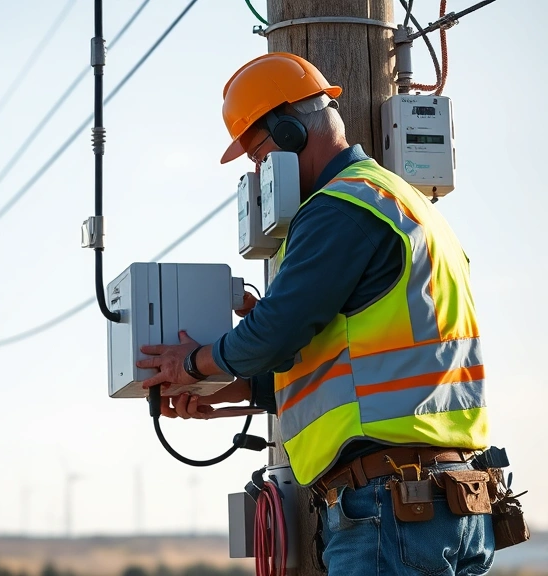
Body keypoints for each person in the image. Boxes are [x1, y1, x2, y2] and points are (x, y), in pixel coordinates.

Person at [136, 53, 495, 574]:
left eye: (258, 158)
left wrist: (192, 364)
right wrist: (222, 394)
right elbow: (356, 370)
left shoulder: (339, 207)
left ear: (287, 135)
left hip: (391, 508)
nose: (258, 176)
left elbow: (276, 332)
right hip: (452, 500)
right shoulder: (404, 203)